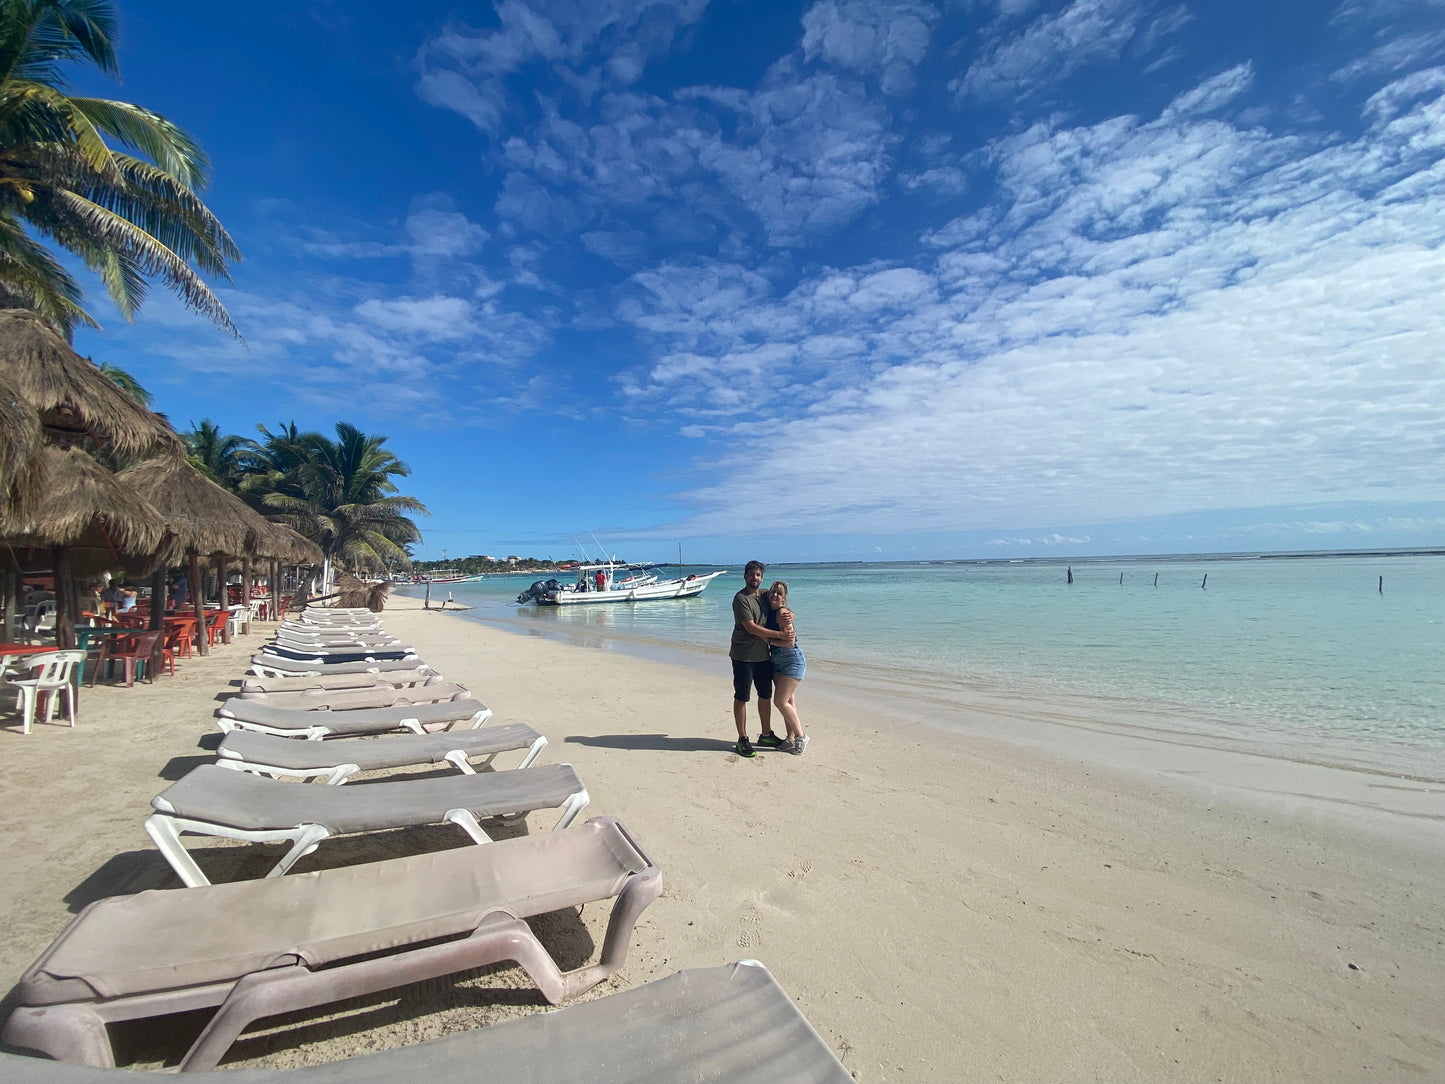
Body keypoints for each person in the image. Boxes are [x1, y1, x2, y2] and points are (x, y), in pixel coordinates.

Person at [729, 560, 793, 757]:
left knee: (765, 695)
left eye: (758, 575)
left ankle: (766, 734)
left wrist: (790, 615)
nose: (754, 578)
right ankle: (743, 738)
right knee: (742, 696)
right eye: (751, 575)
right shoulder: (741, 599)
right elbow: (751, 628)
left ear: (761, 577)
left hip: (763, 656)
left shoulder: (765, 595)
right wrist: (780, 636)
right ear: (745, 576)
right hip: (743, 656)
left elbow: (781, 603)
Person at [765, 581, 808, 755]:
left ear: (784, 598)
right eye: (773, 592)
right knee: (789, 702)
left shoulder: (782, 613)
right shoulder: (772, 610)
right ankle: (790, 738)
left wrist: (768, 640)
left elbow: (790, 641)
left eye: (779, 593)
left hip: (791, 660)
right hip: (778, 661)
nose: (775, 595)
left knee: (780, 702)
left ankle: (801, 736)